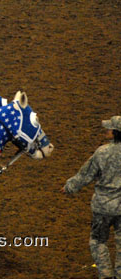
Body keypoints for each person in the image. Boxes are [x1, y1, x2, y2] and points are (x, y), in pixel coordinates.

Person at [61, 115, 121, 279]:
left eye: (110, 129)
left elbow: (85, 175)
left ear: (115, 133)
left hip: (103, 207)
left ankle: (106, 274)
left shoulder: (102, 153)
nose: (106, 130)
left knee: (98, 241)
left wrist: (70, 187)